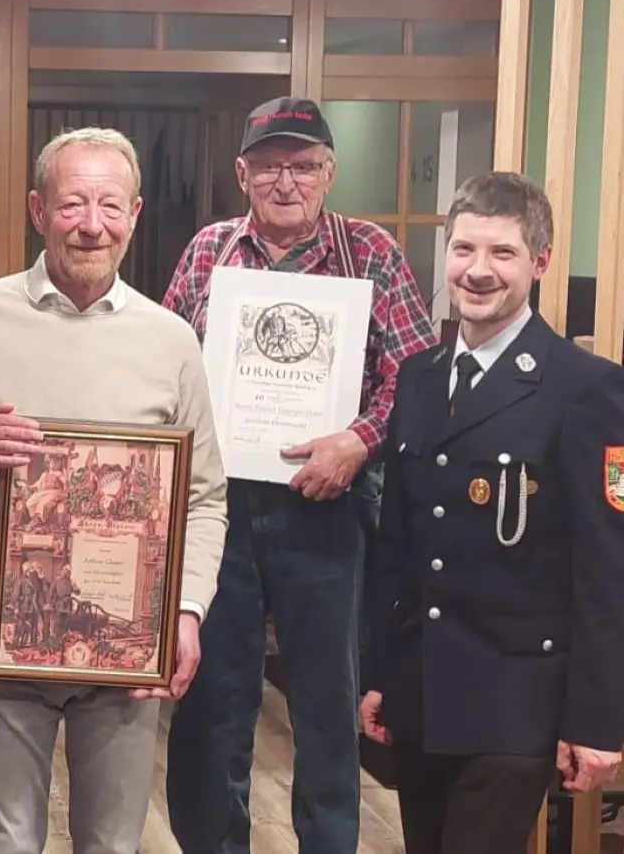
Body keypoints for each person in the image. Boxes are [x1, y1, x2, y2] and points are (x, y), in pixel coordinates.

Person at [0, 125, 228, 854]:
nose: (91, 225)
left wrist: (186, 608)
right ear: (37, 210)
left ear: (135, 214)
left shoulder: (170, 339)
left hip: (124, 648)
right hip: (1, 640)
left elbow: (202, 495)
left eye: (109, 205)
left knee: (110, 845)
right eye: (72, 204)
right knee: (4, 841)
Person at [161, 96, 436, 854]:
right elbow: (166, 365)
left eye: (304, 165)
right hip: (217, 512)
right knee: (213, 702)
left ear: (329, 173)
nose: (287, 181)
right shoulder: (208, 250)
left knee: (324, 706)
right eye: (271, 165)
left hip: (328, 509)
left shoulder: (368, 252)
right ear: (242, 172)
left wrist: (356, 440)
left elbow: (412, 377)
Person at [361, 171, 624, 854]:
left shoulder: (584, 389)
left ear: (538, 264)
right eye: (462, 250)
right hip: (421, 696)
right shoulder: (418, 378)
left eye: (501, 253)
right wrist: (378, 676)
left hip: (515, 703)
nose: (476, 272)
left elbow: (605, 572)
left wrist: (598, 719)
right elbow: (398, 547)